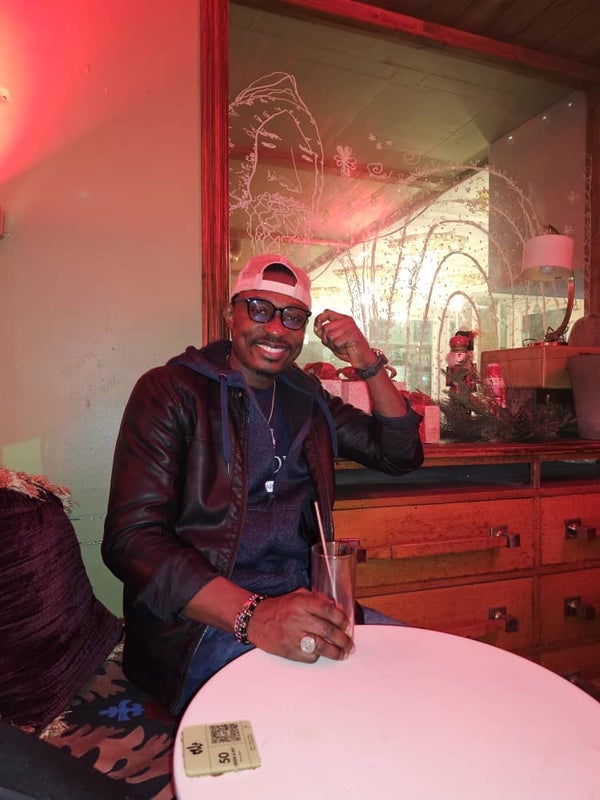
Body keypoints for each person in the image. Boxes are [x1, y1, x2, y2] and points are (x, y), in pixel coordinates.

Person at [102, 254, 424, 714]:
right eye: (258, 309)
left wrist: (366, 361)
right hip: (198, 626)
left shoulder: (307, 399)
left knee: (419, 671)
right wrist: (254, 615)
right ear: (229, 314)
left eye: (293, 317)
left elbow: (399, 454)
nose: (275, 329)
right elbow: (131, 540)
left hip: (305, 604)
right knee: (322, 709)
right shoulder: (170, 391)